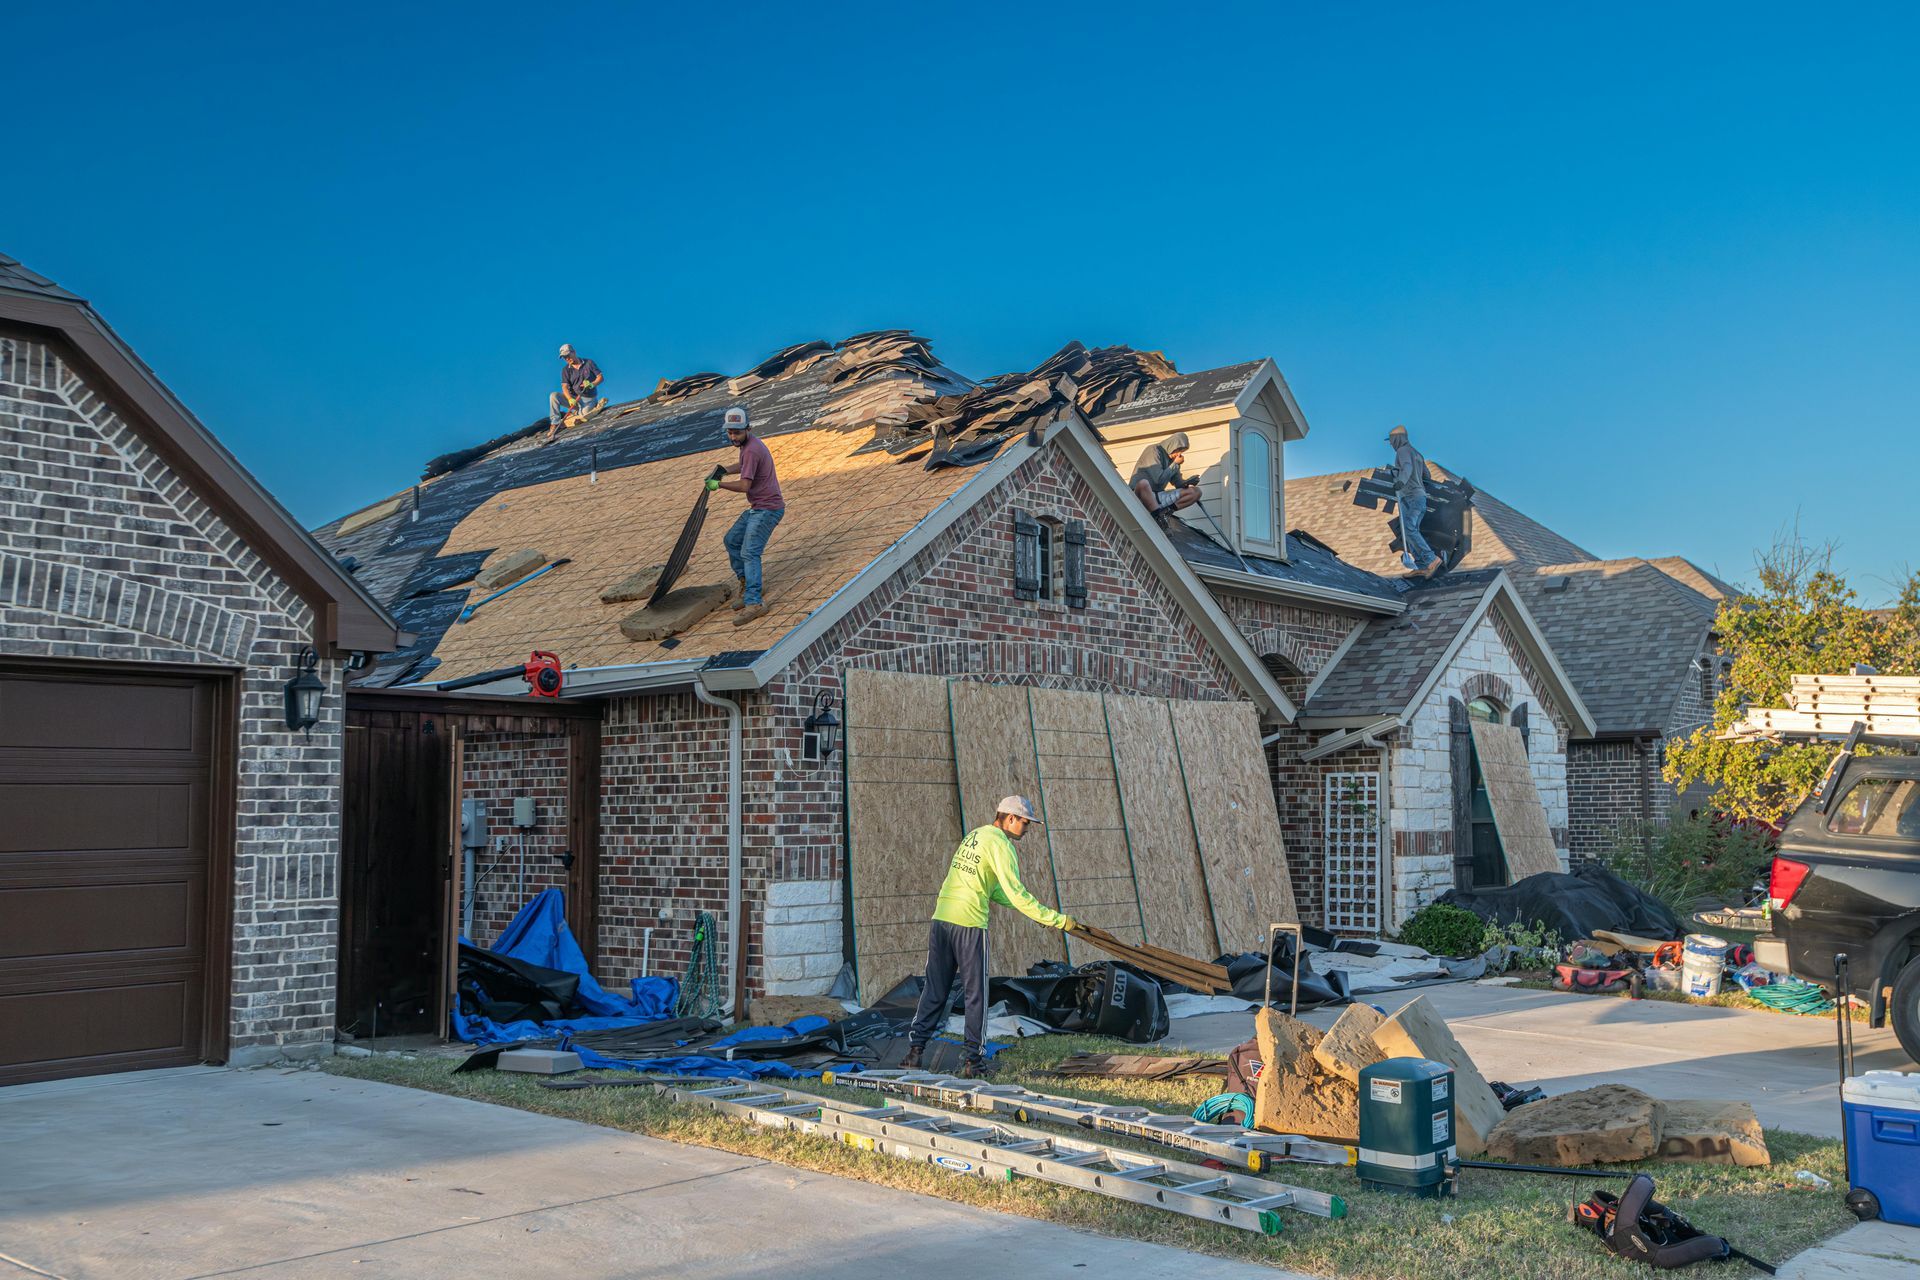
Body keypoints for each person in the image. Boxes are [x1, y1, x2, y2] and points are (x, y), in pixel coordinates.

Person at [903, 796, 1077, 1077]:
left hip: (942, 920)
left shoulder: (975, 836)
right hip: (969, 924)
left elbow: (996, 891)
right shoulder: (1001, 844)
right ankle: (973, 1061)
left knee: (935, 989)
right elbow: (1016, 892)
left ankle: (914, 1053)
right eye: (1025, 822)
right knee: (976, 996)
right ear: (1009, 818)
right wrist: (1055, 919)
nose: (1028, 828)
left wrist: (1035, 914)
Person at [708, 406, 784, 626]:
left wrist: (718, 484)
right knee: (731, 540)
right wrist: (723, 470)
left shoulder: (751, 449)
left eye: (737, 432)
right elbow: (743, 466)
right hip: (757, 506)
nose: (733, 436)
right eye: (730, 432)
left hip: (767, 509)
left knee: (750, 553)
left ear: (748, 429)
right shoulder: (748, 445)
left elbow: (744, 485)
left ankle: (754, 602)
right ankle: (746, 582)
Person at [1388, 424, 1442, 577]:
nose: (1391, 444)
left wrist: (1401, 481)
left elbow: (1407, 466)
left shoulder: (1402, 451)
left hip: (1411, 497)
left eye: (1391, 440)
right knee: (1409, 530)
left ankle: (1431, 559)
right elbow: (1427, 476)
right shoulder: (1417, 454)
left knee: (1409, 528)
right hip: (1419, 496)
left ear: (1396, 439)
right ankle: (1422, 565)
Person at [1129, 431, 1201, 518]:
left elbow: (1178, 484)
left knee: (1196, 492)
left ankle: (1165, 512)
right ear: (1172, 445)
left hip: (1158, 497)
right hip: (1140, 494)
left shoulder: (1173, 461)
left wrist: (1188, 482)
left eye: (1182, 452)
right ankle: (1158, 516)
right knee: (1144, 483)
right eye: (1178, 450)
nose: (1179, 454)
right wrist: (1175, 464)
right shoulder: (1153, 450)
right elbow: (1158, 480)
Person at [548, 343, 605, 440]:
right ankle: (555, 423)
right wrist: (570, 399)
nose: (566, 359)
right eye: (564, 358)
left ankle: (575, 414)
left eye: (568, 356)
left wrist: (592, 384)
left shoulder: (589, 363)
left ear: (574, 352)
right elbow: (564, 387)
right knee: (554, 396)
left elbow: (600, 377)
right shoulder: (566, 370)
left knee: (583, 417)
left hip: (588, 400)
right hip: (574, 400)